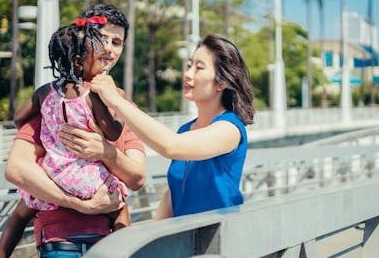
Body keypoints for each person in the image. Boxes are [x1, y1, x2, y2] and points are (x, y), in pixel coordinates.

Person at [1, 4, 146, 258]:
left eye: (117, 42)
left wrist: (104, 152)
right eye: (102, 40)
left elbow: (137, 178)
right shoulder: (55, 107)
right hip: (58, 236)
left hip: (104, 245)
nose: (109, 50)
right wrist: (83, 205)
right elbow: (15, 169)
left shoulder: (49, 99)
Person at [85, 34, 254, 219]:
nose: (188, 74)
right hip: (184, 240)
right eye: (189, 65)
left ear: (222, 82)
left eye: (199, 68)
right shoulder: (185, 130)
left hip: (218, 239)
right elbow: (174, 194)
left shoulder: (230, 129)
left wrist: (116, 101)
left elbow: (171, 146)